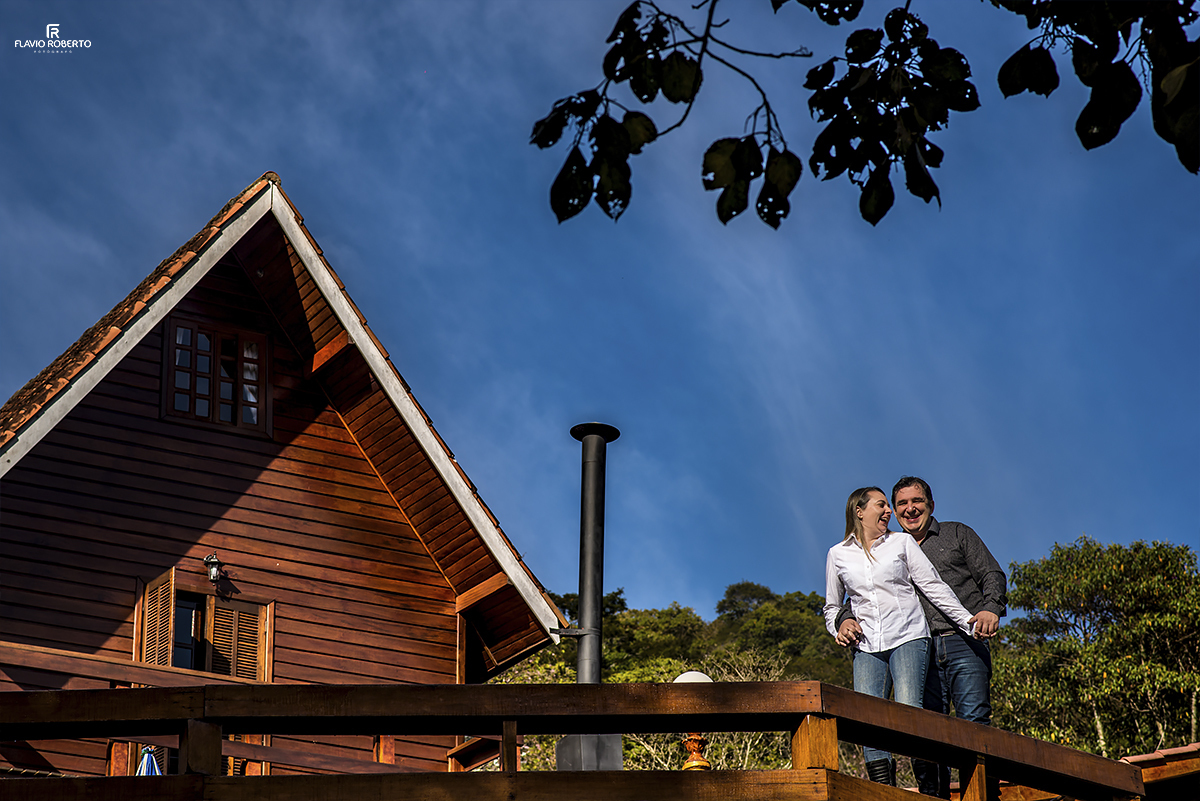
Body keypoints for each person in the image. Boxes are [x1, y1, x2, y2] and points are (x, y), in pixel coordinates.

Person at [836, 476, 1007, 799]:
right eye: (901, 504)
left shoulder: (957, 534)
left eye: (917, 501)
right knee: (923, 731)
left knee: (973, 723)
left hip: (962, 641)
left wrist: (990, 609)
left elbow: (991, 574)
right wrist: (844, 620)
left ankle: (984, 797)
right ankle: (933, 798)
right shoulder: (886, 548)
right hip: (918, 649)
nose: (909, 508)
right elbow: (858, 597)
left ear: (930, 505)